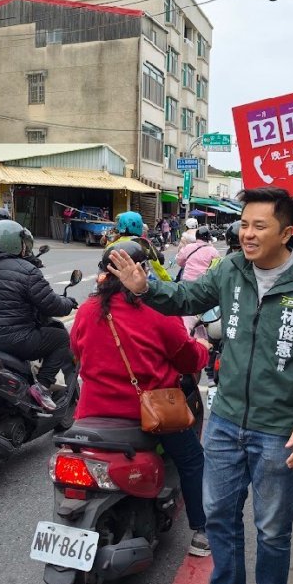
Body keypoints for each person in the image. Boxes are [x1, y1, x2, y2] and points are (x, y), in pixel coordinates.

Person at [107, 187, 293, 584]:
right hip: (225, 420)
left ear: (287, 233)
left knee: (273, 527)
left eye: (260, 226)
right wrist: (145, 287)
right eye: (244, 224)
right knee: (218, 514)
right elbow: (186, 297)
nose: (247, 233)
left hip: (281, 429)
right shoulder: (232, 268)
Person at [71, 239, 212, 557]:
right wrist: (203, 349)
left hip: (91, 416)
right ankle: (202, 532)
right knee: (192, 460)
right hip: (149, 415)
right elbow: (188, 360)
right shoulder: (159, 309)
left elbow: (76, 352)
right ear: (142, 271)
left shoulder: (88, 309)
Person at [0, 220, 76, 411]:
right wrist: (69, 303)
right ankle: (42, 387)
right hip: (16, 342)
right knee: (60, 338)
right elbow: (52, 305)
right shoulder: (28, 270)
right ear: (16, 244)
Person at [112, 211, 172, 282]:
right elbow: (156, 269)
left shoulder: (112, 245)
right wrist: (169, 281)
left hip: (114, 287)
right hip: (137, 285)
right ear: (140, 226)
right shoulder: (143, 244)